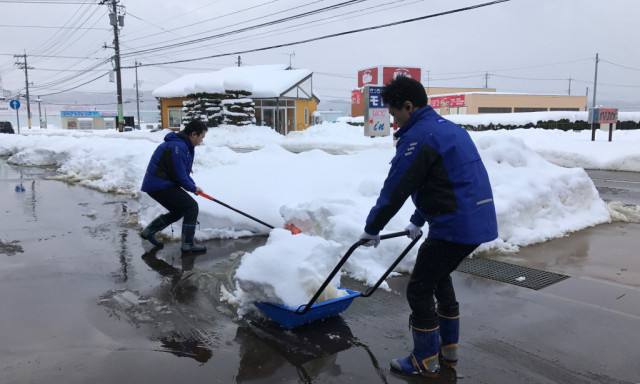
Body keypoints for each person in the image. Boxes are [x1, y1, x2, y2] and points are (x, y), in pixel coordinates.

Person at [359, 76, 498, 377]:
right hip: (474, 218)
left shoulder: (420, 136)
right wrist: (417, 219)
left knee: (420, 288)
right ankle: (448, 353)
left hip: (455, 224)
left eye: (395, 114)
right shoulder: (446, 129)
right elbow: (440, 182)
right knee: (439, 277)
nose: (395, 122)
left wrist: (372, 228)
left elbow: (396, 188)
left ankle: (424, 360)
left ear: (409, 106)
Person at [140, 119, 208, 253]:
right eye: (202, 137)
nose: (201, 140)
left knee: (179, 211)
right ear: (194, 134)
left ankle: (149, 232)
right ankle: (188, 244)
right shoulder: (178, 147)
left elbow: (183, 172)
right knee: (191, 207)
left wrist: (193, 186)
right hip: (159, 185)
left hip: (160, 184)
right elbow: (178, 174)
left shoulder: (184, 146)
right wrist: (193, 188)